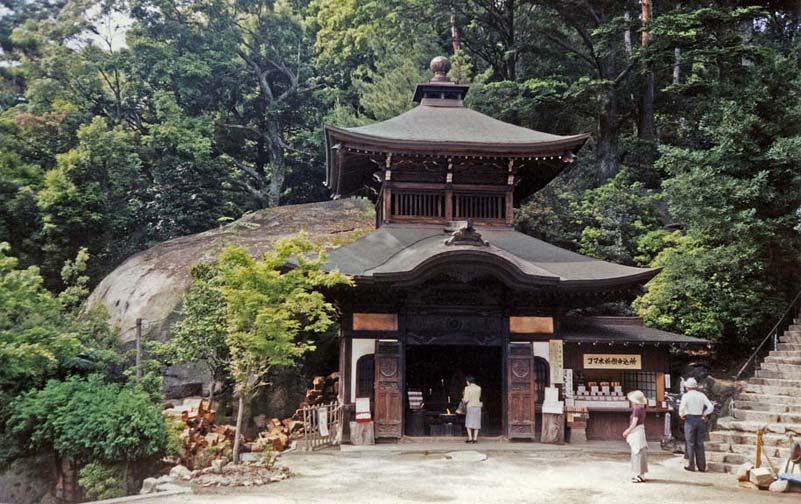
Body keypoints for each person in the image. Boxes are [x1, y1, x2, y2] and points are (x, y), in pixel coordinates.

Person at [679, 377, 713, 472]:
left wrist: (681, 415)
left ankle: (691, 465)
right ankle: (701, 466)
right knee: (700, 443)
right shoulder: (701, 395)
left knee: (690, 443)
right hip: (700, 418)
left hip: (690, 419)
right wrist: (705, 414)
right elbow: (710, 407)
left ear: (687, 387)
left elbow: (682, 408)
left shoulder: (686, 396)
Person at [623, 390, 649, 483]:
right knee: (641, 453)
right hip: (640, 431)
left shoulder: (636, 410)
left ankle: (638, 475)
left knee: (636, 453)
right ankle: (642, 474)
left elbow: (634, 423)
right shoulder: (642, 409)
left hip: (636, 432)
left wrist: (627, 431)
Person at [462, 375, 482, 444]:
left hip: (470, 407)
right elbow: (478, 397)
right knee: (476, 422)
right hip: (477, 407)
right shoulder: (479, 388)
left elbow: (466, 400)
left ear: (468, 381)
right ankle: (475, 438)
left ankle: (470, 438)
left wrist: (463, 399)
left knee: (469, 422)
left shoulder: (467, 388)